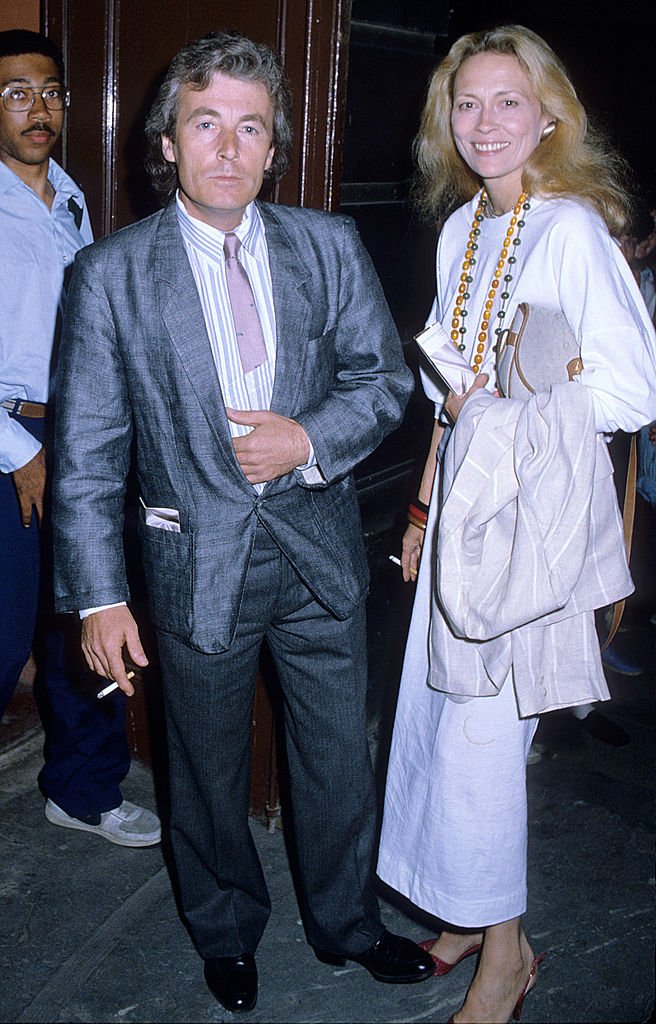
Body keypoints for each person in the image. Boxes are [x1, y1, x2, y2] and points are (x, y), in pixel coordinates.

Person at [51, 30, 434, 1014]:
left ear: (274, 147)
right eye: (205, 123)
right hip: (193, 562)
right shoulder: (110, 276)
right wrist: (99, 595)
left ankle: (346, 921)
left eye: (249, 127)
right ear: (168, 142)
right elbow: (89, 456)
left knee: (336, 757)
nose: (228, 145)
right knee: (205, 770)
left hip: (316, 551)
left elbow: (382, 376)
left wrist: (306, 438)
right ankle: (224, 926)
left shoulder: (328, 245)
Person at [376, 24, 656, 1024]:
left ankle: (508, 953)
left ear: (546, 116)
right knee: (433, 718)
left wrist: (503, 412)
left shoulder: (571, 229)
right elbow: (445, 395)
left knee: (486, 737)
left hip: (529, 521)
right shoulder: (461, 230)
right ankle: (465, 907)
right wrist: (422, 505)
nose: (484, 123)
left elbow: (630, 388)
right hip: (461, 505)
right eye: (466, 102)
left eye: (507, 102)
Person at [0, 29, 160, 848]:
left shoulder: (67, 195)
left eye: (51, 91)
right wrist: (20, 451)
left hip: (75, 435)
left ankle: (84, 790)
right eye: (17, 93)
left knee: (85, 618)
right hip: (10, 443)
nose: (40, 109)